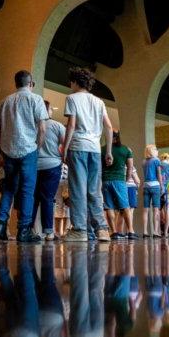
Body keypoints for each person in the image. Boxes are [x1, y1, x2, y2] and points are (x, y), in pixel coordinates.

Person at [0, 70, 48, 243]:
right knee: (27, 191)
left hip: (9, 150)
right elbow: (42, 128)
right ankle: (24, 230)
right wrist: (37, 147)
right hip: (28, 150)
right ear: (30, 83)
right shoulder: (36, 99)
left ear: (16, 83)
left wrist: (1, 150)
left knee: (9, 188)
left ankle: (0, 225)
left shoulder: (5, 101)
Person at [61, 67, 113, 242]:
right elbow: (109, 126)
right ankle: (102, 230)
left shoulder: (72, 98)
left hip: (78, 147)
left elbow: (71, 125)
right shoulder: (99, 101)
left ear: (75, 82)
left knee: (78, 189)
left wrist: (65, 148)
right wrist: (109, 150)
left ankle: (80, 230)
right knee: (94, 189)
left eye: (71, 81)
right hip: (95, 149)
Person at [31, 100, 65, 241]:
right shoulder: (57, 125)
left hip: (34, 165)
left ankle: (29, 229)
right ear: (48, 111)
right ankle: (49, 232)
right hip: (52, 164)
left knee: (33, 199)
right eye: (51, 109)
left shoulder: (33, 125)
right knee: (48, 198)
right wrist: (63, 158)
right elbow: (65, 143)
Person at [101, 130, 137, 240]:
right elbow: (130, 168)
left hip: (106, 180)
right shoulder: (125, 149)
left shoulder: (102, 149)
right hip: (119, 180)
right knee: (125, 206)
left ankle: (114, 232)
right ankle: (130, 231)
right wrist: (125, 180)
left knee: (109, 206)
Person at [142, 144, 162, 238]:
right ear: (152, 151)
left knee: (145, 210)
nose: (157, 151)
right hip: (155, 186)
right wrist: (162, 186)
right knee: (156, 209)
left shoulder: (144, 161)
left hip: (146, 186)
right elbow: (159, 174)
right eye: (156, 149)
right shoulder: (156, 160)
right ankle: (155, 231)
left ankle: (145, 231)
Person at [159, 153, 169, 237]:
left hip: (158, 189)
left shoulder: (158, 165)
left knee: (158, 210)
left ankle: (158, 231)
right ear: (168, 159)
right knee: (168, 210)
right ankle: (165, 232)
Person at [54, 164, 71, 237]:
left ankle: (65, 231)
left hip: (66, 182)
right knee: (57, 208)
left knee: (66, 209)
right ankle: (58, 232)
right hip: (58, 184)